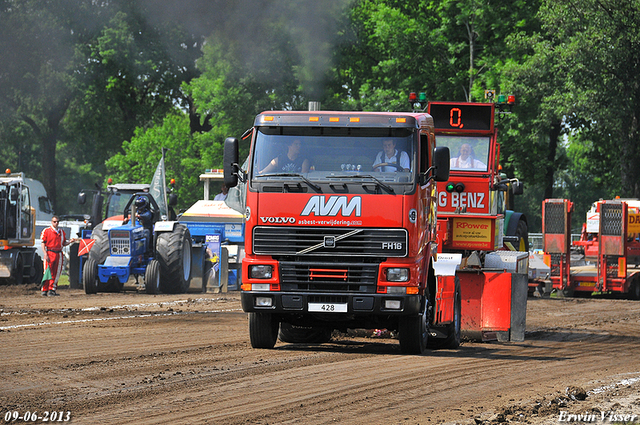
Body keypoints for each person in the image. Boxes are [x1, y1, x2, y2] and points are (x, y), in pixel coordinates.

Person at [41, 216, 76, 296]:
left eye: (57, 222)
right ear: (51, 222)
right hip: (50, 252)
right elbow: (43, 243)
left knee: (56, 272)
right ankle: (44, 289)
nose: (56, 223)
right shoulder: (46, 231)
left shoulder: (61, 232)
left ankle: (52, 289)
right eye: (54, 222)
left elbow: (63, 243)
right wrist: (45, 253)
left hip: (58, 253)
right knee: (47, 271)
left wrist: (70, 241)